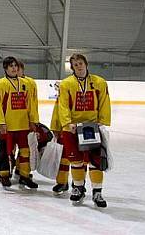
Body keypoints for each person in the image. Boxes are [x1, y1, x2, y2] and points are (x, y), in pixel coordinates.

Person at [58, 54, 111, 207]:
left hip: (91, 127)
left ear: (86, 64)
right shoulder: (66, 84)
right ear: (72, 68)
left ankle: (97, 192)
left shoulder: (99, 82)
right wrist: (68, 123)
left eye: (80, 63)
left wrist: (102, 121)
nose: (78, 66)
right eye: (75, 65)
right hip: (72, 128)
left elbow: (104, 102)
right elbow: (63, 105)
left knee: (95, 161)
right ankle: (78, 188)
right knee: (76, 160)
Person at [0, 56, 39, 189]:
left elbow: (31, 104)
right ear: (5, 68)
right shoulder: (0, 84)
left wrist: (33, 120)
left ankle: (24, 176)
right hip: (8, 126)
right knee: (7, 152)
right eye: (11, 66)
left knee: (25, 151)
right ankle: (4, 175)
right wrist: (1, 123)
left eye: (15, 66)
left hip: (23, 124)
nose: (14, 68)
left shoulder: (26, 84)